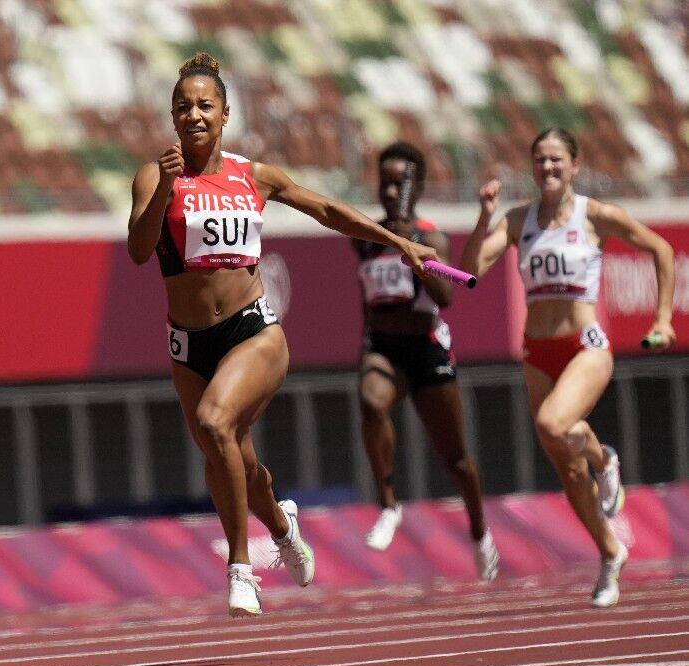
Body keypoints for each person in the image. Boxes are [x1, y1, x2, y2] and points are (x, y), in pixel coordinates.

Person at [127, 53, 439, 617]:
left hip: (252, 332)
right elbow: (138, 249)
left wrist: (400, 244)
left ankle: (242, 569)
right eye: (182, 107)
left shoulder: (254, 176)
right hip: (189, 346)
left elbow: (325, 209)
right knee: (236, 462)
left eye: (205, 105)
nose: (193, 115)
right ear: (172, 117)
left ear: (225, 115)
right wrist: (166, 188)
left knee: (214, 422)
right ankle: (283, 525)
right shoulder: (155, 176)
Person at [460, 127, 675, 607]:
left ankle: (606, 458)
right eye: (540, 160)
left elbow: (660, 250)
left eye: (557, 160)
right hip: (537, 352)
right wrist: (482, 218)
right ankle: (610, 552)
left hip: (586, 345)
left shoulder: (594, 215)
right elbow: (472, 270)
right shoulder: (519, 221)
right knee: (568, 472)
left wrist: (662, 318)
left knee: (553, 423)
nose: (548, 168)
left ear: (575, 166)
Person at [354, 142, 499, 581]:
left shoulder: (431, 238)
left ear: (416, 188)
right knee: (371, 400)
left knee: (454, 458)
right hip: (383, 348)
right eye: (385, 181)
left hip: (426, 350)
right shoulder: (365, 238)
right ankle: (388, 505)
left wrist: (417, 257)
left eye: (400, 181)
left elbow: (446, 297)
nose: (391, 189)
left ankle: (479, 530)